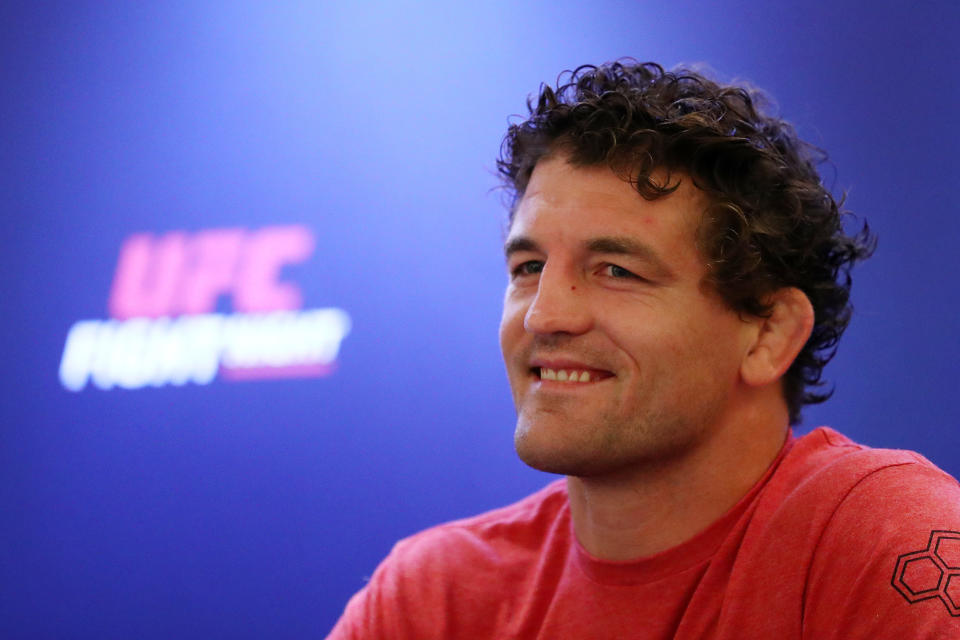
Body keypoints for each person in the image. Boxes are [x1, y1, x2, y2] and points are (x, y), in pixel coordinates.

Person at [328, 61, 960, 638]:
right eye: (528, 267)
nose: (545, 314)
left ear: (769, 332)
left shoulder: (884, 544)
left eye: (616, 271)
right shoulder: (431, 601)